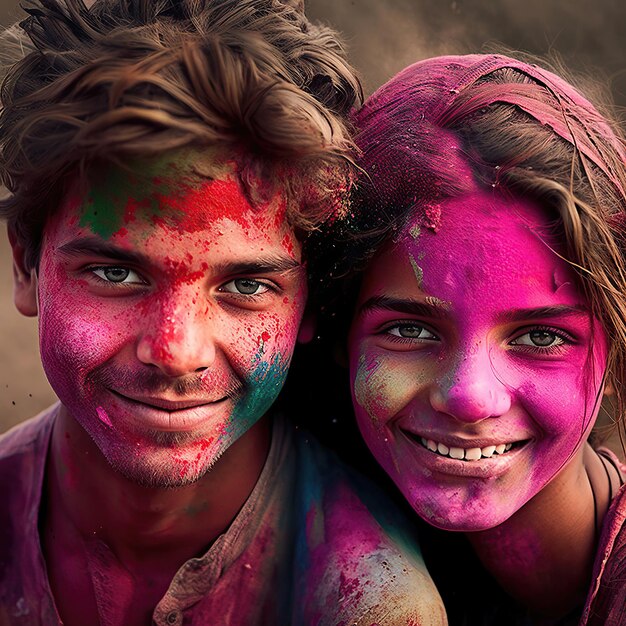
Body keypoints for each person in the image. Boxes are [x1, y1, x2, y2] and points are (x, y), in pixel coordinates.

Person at [0, 1, 447, 624]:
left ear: (310, 300)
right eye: (116, 274)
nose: (177, 351)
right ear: (26, 265)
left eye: (245, 287)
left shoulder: (371, 603)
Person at [314, 53, 626, 625]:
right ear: (339, 333)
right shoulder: (315, 542)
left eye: (539, 336)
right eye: (409, 330)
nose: (469, 397)